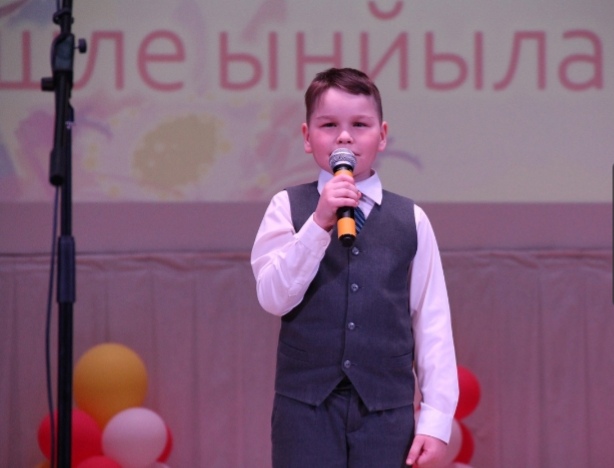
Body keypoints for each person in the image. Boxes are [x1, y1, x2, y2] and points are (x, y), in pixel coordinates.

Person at [251, 67, 458, 468]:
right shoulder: (286, 207)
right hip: (305, 410)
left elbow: (432, 322)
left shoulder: (411, 219)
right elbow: (273, 297)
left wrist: (436, 421)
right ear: (307, 137)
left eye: (359, 125)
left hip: (386, 412)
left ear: (382, 135)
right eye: (329, 125)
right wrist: (318, 223)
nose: (344, 137)